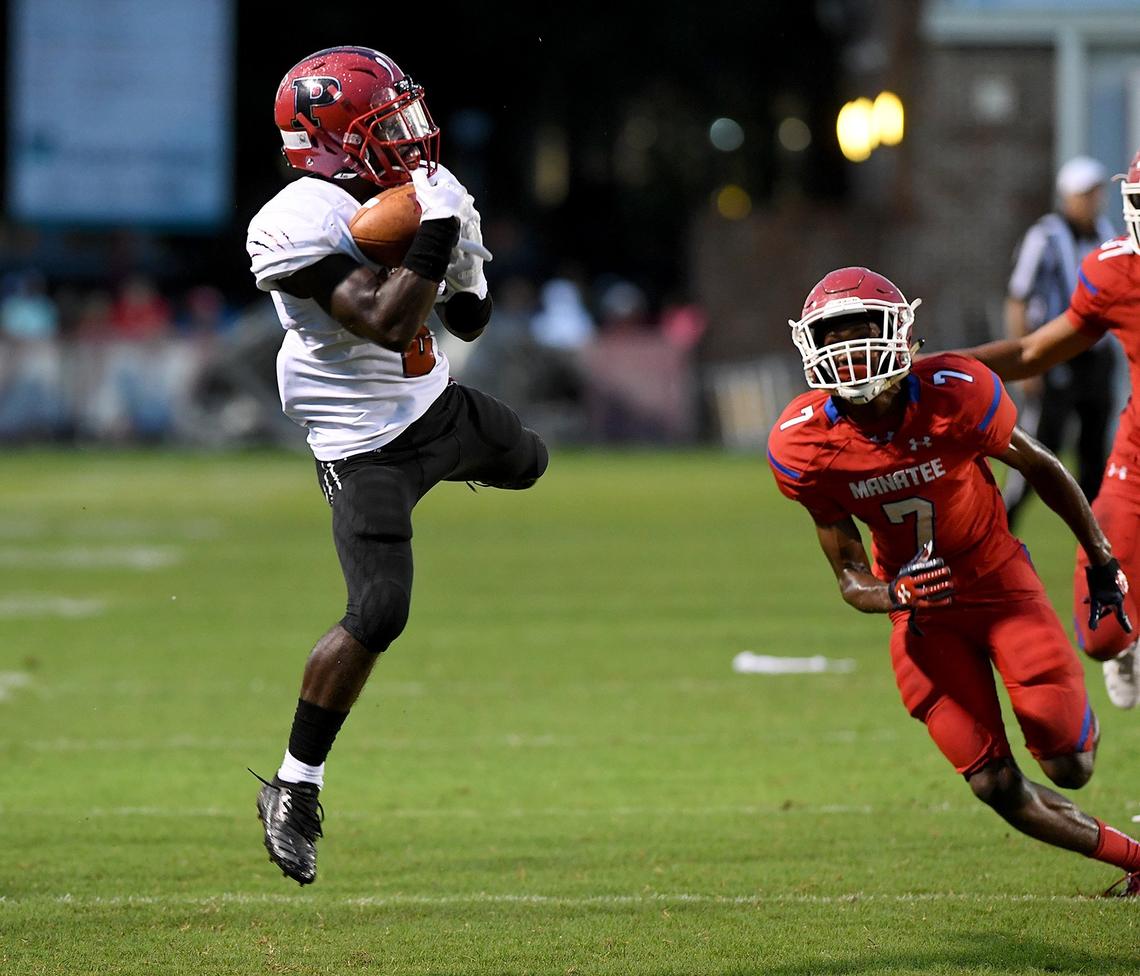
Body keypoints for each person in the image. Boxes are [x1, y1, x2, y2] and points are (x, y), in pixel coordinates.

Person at [245, 46, 548, 885]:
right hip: (362, 444)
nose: (409, 137)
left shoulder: (417, 193)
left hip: (434, 409)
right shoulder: (295, 219)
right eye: (385, 124)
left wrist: (464, 260)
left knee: (530, 459)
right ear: (328, 137)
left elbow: (470, 321)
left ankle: (459, 465)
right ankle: (294, 786)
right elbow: (383, 320)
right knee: (379, 611)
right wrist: (437, 233)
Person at [768, 266, 1140, 896]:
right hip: (922, 614)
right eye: (835, 335)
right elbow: (850, 577)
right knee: (993, 781)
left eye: (863, 329)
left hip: (999, 583)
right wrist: (895, 593)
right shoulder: (803, 444)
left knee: (1070, 763)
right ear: (811, 346)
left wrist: (1103, 560)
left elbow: (1042, 467)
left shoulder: (954, 392)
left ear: (899, 333)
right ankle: (1135, 859)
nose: (850, 348)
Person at [961, 148, 1140, 710]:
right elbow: (1033, 350)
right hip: (1136, 464)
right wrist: (946, 367)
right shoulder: (1116, 270)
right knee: (1103, 633)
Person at [1002, 156, 1118, 528]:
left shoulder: (1105, 232)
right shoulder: (1045, 236)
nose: (1092, 201)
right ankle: (1002, 522)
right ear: (1067, 196)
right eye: (1085, 194)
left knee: (1095, 454)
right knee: (1037, 448)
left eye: (1095, 193)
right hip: (1054, 353)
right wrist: (1026, 366)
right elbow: (1017, 298)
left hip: (1096, 357)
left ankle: (1098, 540)